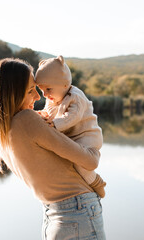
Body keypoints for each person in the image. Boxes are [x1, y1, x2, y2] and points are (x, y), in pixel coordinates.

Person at [0, 58, 106, 240]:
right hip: (77, 212)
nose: (38, 97)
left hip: (53, 216)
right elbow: (90, 160)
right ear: (14, 94)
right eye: (31, 90)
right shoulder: (27, 119)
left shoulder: (2, 132)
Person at [35, 55, 106, 198]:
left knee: (80, 164)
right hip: (72, 137)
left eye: (48, 89)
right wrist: (39, 115)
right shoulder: (53, 98)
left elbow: (72, 118)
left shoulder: (76, 97)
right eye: (41, 90)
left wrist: (55, 124)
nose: (45, 94)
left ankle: (96, 182)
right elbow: (48, 112)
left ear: (65, 84)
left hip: (87, 136)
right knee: (66, 159)